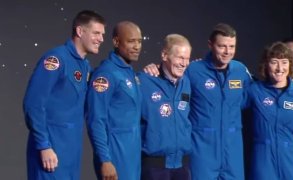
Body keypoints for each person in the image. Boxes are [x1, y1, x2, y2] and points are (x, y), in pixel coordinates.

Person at [144, 23, 252, 180]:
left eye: (232, 46)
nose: (228, 51)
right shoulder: (193, 70)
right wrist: (154, 68)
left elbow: (260, 93)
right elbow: (171, 75)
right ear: (210, 45)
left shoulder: (241, 70)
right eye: (222, 46)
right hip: (203, 151)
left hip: (232, 151)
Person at [23, 10, 105, 179]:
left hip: (71, 153)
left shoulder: (84, 66)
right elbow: (33, 104)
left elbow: (106, 83)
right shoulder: (56, 60)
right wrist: (44, 146)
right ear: (80, 31)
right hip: (50, 152)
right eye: (96, 33)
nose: (101, 39)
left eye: (102, 34)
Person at [244, 41, 293, 180]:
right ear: (266, 65)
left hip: (291, 165)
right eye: (274, 62)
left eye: (284, 62)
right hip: (262, 165)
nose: (279, 68)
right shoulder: (253, 91)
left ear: (290, 64)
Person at [86, 21, 142, 180]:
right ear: (116, 42)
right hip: (115, 156)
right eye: (131, 41)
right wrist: (105, 160)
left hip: (132, 156)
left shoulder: (130, 73)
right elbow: (95, 119)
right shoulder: (106, 75)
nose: (137, 46)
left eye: (139, 41)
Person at [138, 34, 192, 180]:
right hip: (155, 167)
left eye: (187, 58)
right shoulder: (144, 81)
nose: (184, 63)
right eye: (180, 57)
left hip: (182, 166)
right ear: (164, 55)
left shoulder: (187, 82)